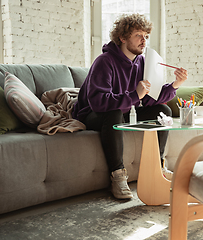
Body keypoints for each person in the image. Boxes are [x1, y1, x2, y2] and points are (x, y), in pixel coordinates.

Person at [72, 13, 188, 199]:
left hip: (125, 111)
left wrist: (175, 85)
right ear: (123, 37)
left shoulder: (142, 62)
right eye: (138, 35)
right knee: (115, 112)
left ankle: (158, 167)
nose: (144, 41)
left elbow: (151, 99)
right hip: (93, 114)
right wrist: (135, 95)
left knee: (163, 111)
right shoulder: (105, 61)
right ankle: (118, 175)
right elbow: (99, 102)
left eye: (146, 36)